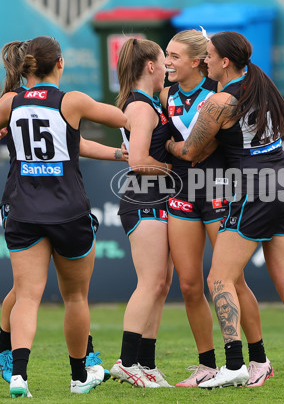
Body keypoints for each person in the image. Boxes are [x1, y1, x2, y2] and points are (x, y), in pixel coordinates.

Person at [166, 31, 284, 388]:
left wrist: (170, 146)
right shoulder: (259, 83)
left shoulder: (220, 101)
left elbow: (190, 151)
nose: (205, 61)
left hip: (256, 190)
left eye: (209, 55)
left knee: (218, 279)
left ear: (225, 61)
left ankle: (234, 363)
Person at [0, 35, 127, 397]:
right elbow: (122, 116)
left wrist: (3, 123)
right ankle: (79, 376)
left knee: (27, 295)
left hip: (23, 208)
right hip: (68, 210)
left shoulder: (11, 102)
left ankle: (20, 376)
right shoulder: (71, 100)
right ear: (60, 63)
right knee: (75, 298)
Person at [161, 30, 272, 387]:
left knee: (231, 280)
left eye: (175, 56)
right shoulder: (165, 95)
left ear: (198, 61)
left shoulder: (221, 95)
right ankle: (207, 365)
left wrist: (178, 148)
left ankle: (257, 359)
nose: (168, 62)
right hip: (182, 192)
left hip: (220, 190)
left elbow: (200, 148)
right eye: (166, 55)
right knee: (190, 284)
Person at [108, 38, 174, 388]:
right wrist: (176, 170)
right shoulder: (141, 107)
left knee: (161, 284)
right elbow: (137, 161)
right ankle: (127, 360)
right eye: (164, 62)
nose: (166, 69)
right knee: (150, 282)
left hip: (159, 199)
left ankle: (146, 363)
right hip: (143, 199)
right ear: (150, 66)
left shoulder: (150, 102)